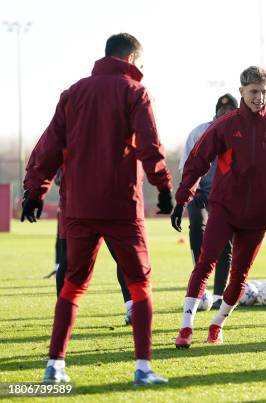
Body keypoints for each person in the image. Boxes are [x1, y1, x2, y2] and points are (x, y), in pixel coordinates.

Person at [22, 33, 172, 385]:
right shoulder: (134, 92)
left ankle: (55, 366)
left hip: (79, 207)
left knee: (72, 285)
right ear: (132, 57)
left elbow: (47, 148)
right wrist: (163, 187)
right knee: (140, 284)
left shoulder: (73, 92)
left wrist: (34, 192)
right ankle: (143, 368)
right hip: (121, 205)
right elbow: (149, 144)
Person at [172, 66, 266, 348]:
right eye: (253, 92)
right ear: (242, 92)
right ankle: (186, 328)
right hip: (223, 208)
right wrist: (183, 197)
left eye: (263, 92)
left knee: (239, 276)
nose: (259, 97)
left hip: (258, 216)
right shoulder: (225, 125)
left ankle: (216, 325)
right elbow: (197, 160)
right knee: (205, 262)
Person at [53, 167, 134, 324]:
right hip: (78, 204)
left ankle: (131, 307)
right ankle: (63, 313)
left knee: (123, 256)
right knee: (69, 259)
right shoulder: (69, 142)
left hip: (105, 203)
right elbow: (46, 160)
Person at [179, 94, 238, 309]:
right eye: (222, 109)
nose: (225, 112)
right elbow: (186, 165)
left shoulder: (243, 134)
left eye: (230, 109)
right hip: (201, 194)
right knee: (196, 224)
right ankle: (199, 275)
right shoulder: (199, 131)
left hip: (228, 197)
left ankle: (219, 293)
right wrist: (187, 192)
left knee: (225, 243)